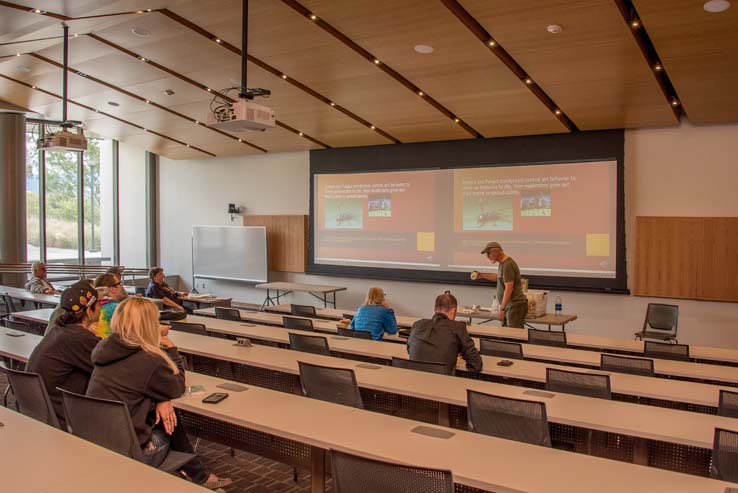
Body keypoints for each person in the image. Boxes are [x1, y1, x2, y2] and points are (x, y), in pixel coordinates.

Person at [86, 297, 230, 490]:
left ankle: (199, 474)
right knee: (170, 421)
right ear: (149, 324)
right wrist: (171, 350)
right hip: (130, 449)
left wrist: (162, 399)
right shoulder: (148, 359)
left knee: (164, 411)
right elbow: (177, 386)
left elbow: (140, 384)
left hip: (94, 441)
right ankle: (197, 474)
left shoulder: (106, 350)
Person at [25, 280, 101, 429]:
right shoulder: (78, 337)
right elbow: (111, 366)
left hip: (40, 411)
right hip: (63, 417)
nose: (101, 307)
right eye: (98, 304)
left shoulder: (59, 330)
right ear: (89, 311)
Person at [406, 292, 482, 375]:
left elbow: (410, 350)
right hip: (442, 383)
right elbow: (476, 364)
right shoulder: (458, 328)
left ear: (435, 310)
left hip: (415, 380)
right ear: (454, 311)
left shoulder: (417, 324)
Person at [472, 241, 528, 329]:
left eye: (488, 254)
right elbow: (498, 277)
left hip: (514, 306)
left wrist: (502, 309)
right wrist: (481, 275)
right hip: (510, 306)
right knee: (506, 335)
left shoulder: (508, 265)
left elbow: (509, 288)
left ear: (496, 251)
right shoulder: (503, 264)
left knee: (514, 336)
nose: (487, 257)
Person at [93, 273, 128, 338]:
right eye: (120, 283)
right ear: (113, 289)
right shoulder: (117, 309)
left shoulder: (93, 307)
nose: (122, 286)